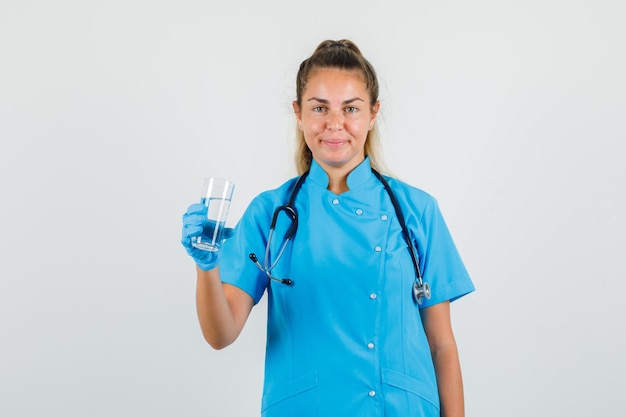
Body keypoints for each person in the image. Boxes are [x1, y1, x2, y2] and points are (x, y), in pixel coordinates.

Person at [181, 39, 475, 417]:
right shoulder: (270, 214)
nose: (335, 124)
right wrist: (206, 269)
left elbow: (442, 347)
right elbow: (220, 334)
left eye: (350, 108)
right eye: (319, 108)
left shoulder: (417, 210)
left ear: (372, 114)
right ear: (298, 114)